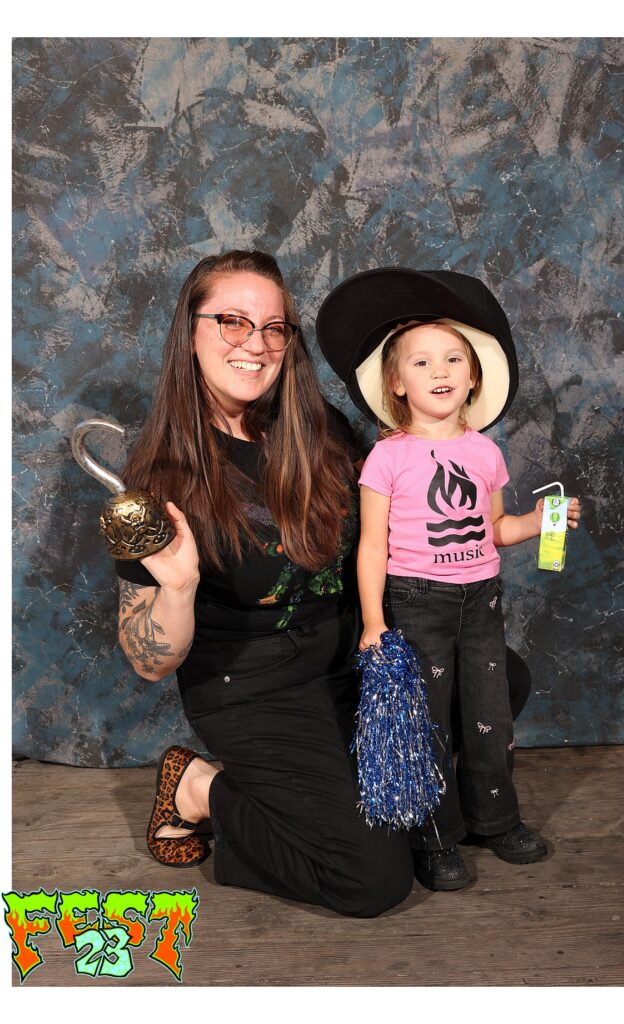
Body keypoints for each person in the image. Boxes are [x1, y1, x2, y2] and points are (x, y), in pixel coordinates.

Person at [114, 250, 415, 917]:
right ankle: (201, 788)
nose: (255, 344)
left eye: (273, 327)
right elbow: (147, 661)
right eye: (232, 321)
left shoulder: (319, 428)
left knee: (494, 684)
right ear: (190, 331)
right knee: (371, 878)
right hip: (254, 689)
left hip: (349, 663)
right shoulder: (160, 477)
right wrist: (178, 588)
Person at [315, 266, 581, 892]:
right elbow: (372, 546)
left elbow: (496, 528)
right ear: (397, 384)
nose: (440, 371)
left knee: (490, 716)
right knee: (428, 721)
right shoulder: (387, 457)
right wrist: (374, 621)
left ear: (474, 376)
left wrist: (543, 520)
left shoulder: (485, 451)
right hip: (417, 603)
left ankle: (496, 819)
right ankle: (435, 839)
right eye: (422, 362)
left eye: (454, 359)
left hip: (481, 602)